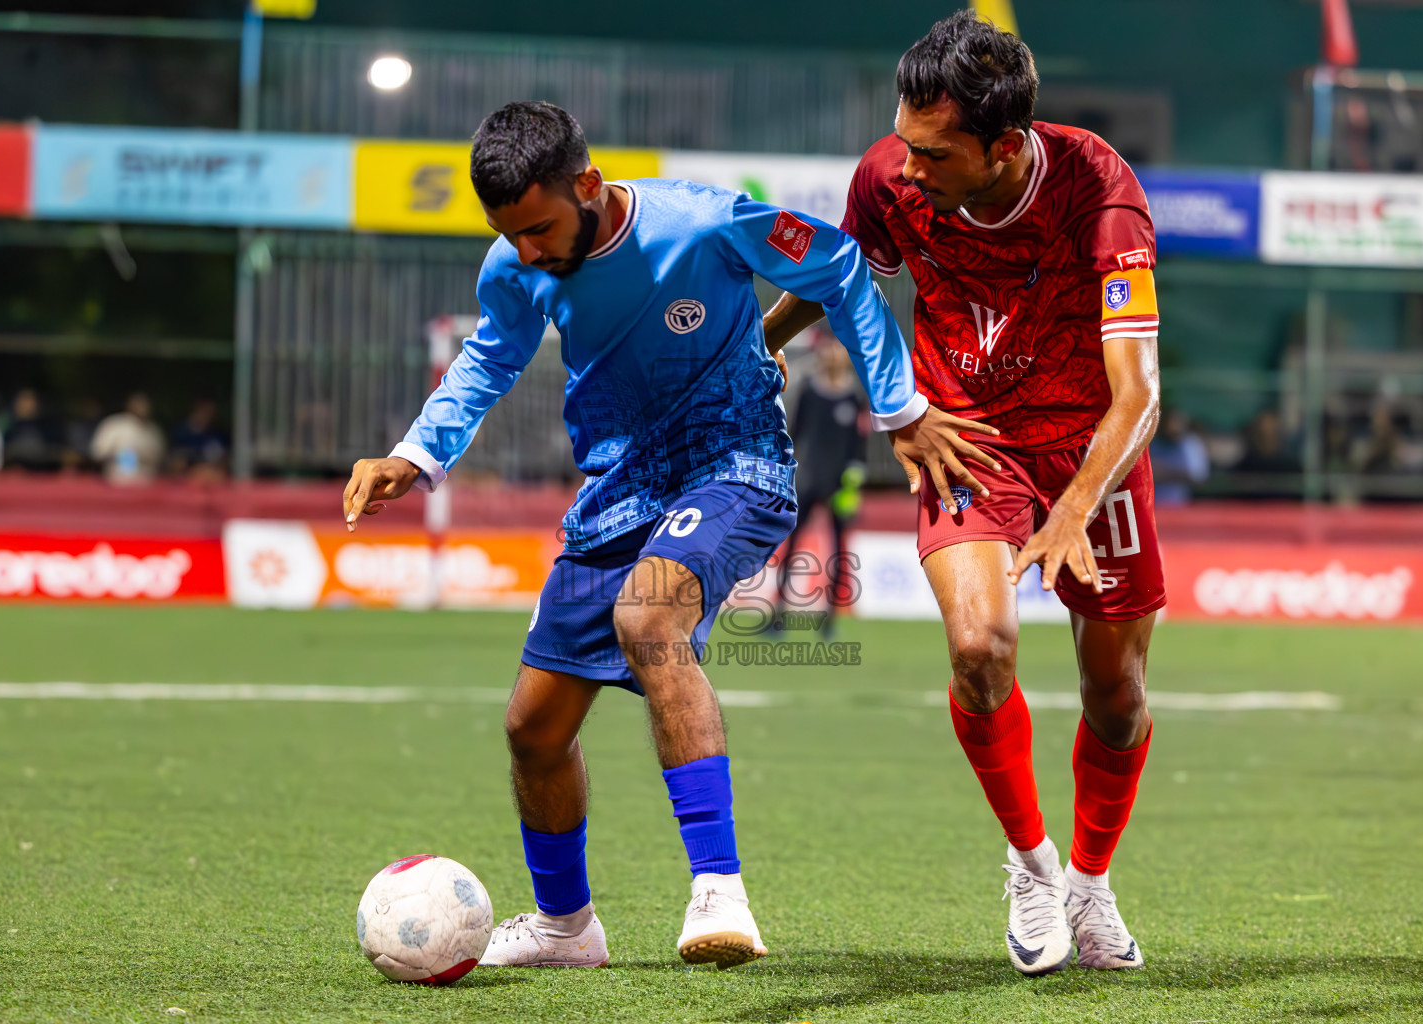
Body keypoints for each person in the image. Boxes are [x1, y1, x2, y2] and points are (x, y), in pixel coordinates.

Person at [341, 101, 979, 971]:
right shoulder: (513, 264)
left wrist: (900, 406)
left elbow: (840, 265)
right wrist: (415, 453)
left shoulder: (706, 222)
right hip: (615, 493)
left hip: (735, 467)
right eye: (510, 235)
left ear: (589, 186)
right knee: (533, 727)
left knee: (649, 623)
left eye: (537, 228)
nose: (526, 251)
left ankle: (720, 893)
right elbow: (491, 357)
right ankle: (566, 929)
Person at [765, 10, 1163, 975]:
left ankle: (1090, 881)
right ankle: (1030, 865)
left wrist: (1073, 509)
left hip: (1090, 451)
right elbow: (839, 276)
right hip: (965, 438)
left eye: (933, 154)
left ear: (1004, 146)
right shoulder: (890, 178)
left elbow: (1140, 393)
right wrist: (753, 347)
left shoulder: (1101, 191)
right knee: (981, 648)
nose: (906, 170)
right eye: (903, 142)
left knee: (1115, 696)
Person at [774, 332, 868, 632]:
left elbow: (859, 446)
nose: (833, 353)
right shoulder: (810, 391)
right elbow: (794, 434)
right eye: (829, 348)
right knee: (792, 546)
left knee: (839, 551)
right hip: (809, 480)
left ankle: (830, 619)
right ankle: (778, 614)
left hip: (840, 485)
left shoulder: (853, 396)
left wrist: (854, 485)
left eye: (838, 348)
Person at [90, 393, 164, 484]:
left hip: (147, 481)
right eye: (139, 405)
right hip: (117, 480)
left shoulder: (154, 430)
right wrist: (119, 456)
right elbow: (98, 452)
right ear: (129, 406)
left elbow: (160, 456)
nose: (142, 408)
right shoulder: (114, 424)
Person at [1146, 408, 1209, 506]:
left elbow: (1197, 476)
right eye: (1169, 422)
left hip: (1180, 506)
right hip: (1152, 505)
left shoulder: (1189, 444)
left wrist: (1164, 472)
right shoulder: (1150, 442)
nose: (1173, 427)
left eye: (1176, 422)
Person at [169, 398, 229, 479]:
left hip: (213, 480)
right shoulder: (181, 433)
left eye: (211, 412)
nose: (209, 415)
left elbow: (224, 462)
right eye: (205, 410)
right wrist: (194, 471)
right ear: (197, 408)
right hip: (187, 481)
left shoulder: (218, 434)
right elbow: (176, 464)